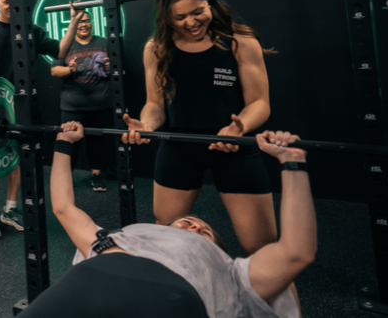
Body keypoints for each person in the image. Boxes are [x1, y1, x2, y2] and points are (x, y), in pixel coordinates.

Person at [19, 122, 312, 317]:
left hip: (171, 296)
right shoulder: (115, 238)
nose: (195, 224)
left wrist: (292, 161)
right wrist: (64, 142)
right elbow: (63, 207)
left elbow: (296, 253)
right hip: (89, 279)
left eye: (204, 232)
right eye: (187, 222)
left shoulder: (230, 273)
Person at [123, 0, 278, 256]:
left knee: (263, 249)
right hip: (179, 148)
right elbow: (155, 104)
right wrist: (145, 124)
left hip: (233, 147)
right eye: (179, 17)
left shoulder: (239, 40)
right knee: (166, 236)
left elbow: (259, 103)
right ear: (166, 16)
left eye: (197, 12)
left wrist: (239, 126)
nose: (191, 22)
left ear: (209, 2)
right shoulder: (156, 48)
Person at [0, 0, 84, 238]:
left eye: (16, 2)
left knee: (16, 157)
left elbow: (61, 49)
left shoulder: (32, 30)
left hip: (20, 106)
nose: (12, 6)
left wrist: (73, 22)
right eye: (7, 1)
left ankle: (10, 209)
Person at [50, 10, 112, 192]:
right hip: (73, 106)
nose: (84, 24)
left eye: (87, 21)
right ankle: (64, 179)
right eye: (80, 22)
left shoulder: (105, 43)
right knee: (69, 143)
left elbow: (119, 66)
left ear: (92, 22)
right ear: (74, 25)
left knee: (97, 143)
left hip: (100, 104)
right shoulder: (65, 45)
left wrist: (110, 66)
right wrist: (69, 70)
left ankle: (96, 175)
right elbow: (55, 71)